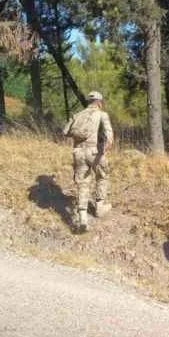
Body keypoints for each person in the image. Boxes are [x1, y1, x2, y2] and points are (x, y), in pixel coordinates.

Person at [62, 91, 114, 232]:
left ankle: (83, 219)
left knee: (82, 183)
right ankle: (99, 207)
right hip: (94, 151)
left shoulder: (77, 115)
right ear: (99, 102)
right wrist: (105, 148)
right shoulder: (102, 114)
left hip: (78, 152)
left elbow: (65, 131)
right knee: (103, 175)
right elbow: (110, 136)